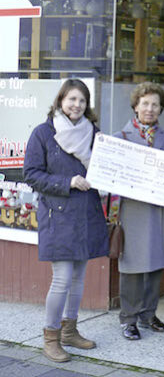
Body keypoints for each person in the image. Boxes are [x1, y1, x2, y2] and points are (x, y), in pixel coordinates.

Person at [23, 79, 108, 363]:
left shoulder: (94, 134)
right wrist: (67, 181)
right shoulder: (43, 133)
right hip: (58, 215)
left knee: (79, 278)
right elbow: (32, 174)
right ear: (60, 100)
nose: (77, 105)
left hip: (86, 213)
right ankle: (51, 336)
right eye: (72, 99)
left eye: (82, 101)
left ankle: (70, 330)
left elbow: (105, 168)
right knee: (61, 279)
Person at [114, 82, 164, 340]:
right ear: (135, 106)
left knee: (155, 261)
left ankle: (148, 313)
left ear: (161, 108)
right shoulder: (120, 139)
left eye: (155, 104)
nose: (150, 109)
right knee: (131, 265)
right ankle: (128, 318)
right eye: (145, 103)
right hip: (133, 210)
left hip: (160, 209)